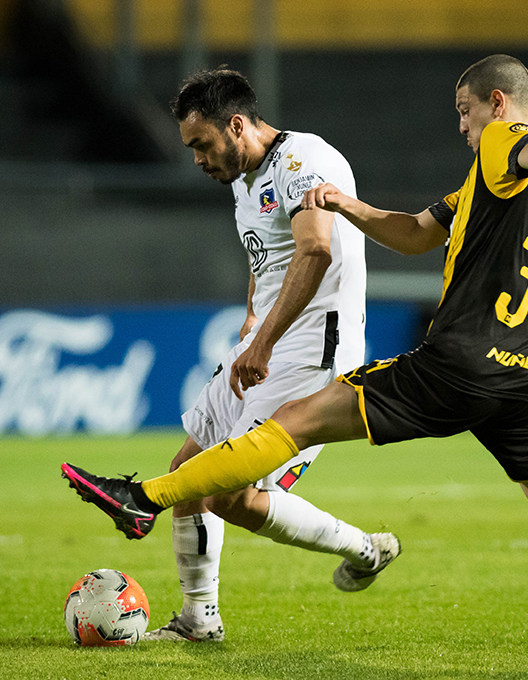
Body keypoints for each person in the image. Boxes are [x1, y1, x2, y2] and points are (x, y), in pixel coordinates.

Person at [64, 54, 528, 650]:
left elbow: (525, 143)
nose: (460, 125)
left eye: (464, 111)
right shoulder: (491, 189)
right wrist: (350, 207)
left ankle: (143, 496)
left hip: (454, 361)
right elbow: (421, 233)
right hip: (519, 375)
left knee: (295, 424)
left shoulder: (505, 143)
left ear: (494, 102)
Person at [65, 68, 401, 643]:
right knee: (187, 470)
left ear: (237, 125)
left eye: (201, 144)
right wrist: (252, 323)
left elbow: (315, 250)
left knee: (231, 495)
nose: (197, 159)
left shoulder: (304, 161)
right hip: (266, 344)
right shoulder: (247, 184)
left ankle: (366, 550)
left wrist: (265, 341)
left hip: (313, 352)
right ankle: (199, 620)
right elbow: (265, 262)